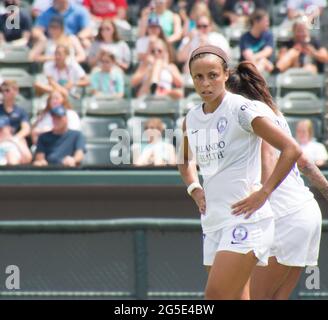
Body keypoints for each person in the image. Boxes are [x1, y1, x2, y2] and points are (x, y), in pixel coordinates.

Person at [178, 45, 302, 300]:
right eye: (198, 77)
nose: (205, 83)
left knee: (214, 297)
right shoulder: (190, 118)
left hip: (246, 221)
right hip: (213, 223)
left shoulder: (241, 109)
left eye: (212, 75)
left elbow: (291, 149)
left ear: (225, 74)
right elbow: (183, 159)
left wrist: (264, 193)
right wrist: (194, 188)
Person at [226, 60, 325, 300]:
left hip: (285, 218)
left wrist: (262, 196)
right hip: (308, 214)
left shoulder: (250, 116)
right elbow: (305, 163)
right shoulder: (275, 114)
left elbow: (268, 157)